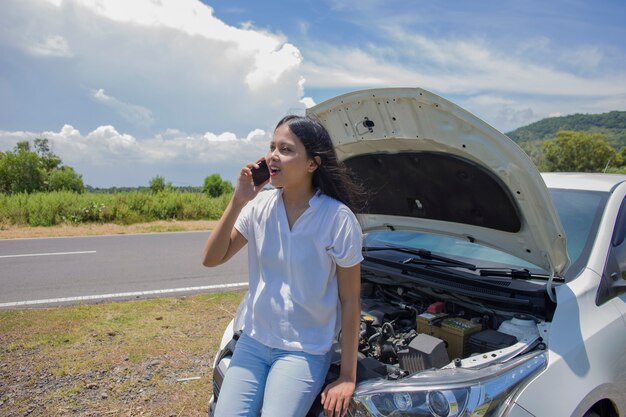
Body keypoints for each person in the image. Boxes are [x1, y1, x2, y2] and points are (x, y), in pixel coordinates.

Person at [202, 115, 364, 417]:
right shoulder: (259, 206)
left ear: (312, 164)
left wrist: (347, 376)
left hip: (304, 350)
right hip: (253, 341)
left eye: (286, 150)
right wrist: (238, 201)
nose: (273, 156)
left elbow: (351, 300)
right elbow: (212, 258)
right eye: (272, 147)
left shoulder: (337, 218)